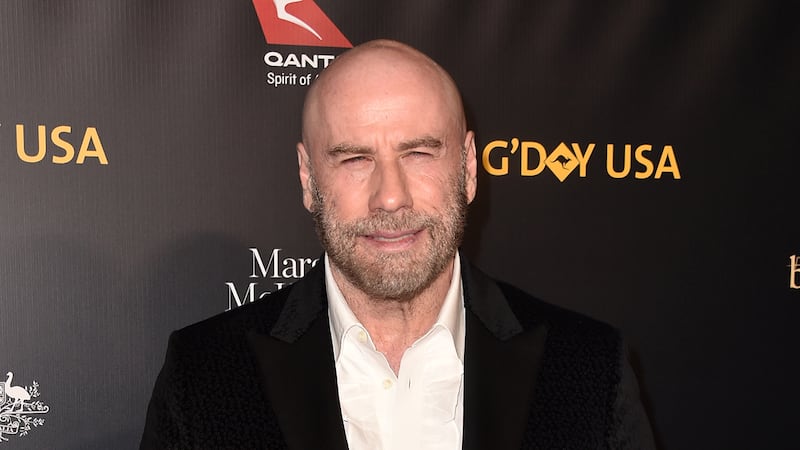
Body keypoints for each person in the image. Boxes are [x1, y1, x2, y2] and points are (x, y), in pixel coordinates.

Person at [141, 39, 655, 449]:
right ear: (307, 178)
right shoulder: (204, 375)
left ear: (468, 168)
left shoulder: (589, 368)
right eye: (354, 159)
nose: (390, 196)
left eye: (418, 154)